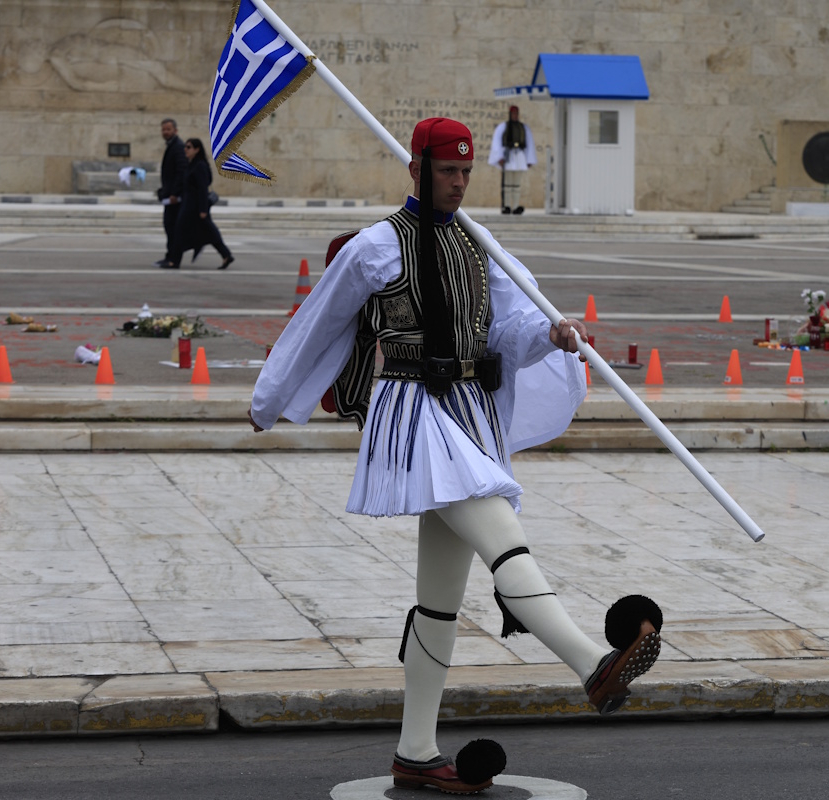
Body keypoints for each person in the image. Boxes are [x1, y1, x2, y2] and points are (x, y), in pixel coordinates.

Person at [248, 118, 661, 795]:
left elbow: (506, 328)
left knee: (438, 602)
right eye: (448, 171)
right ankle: (591, 663)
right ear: (417, 168)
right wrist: (268, 401)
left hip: (469, 413)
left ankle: (415, 752)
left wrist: (552, 334)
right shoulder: (377, 246)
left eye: (467, 172)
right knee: (503, 535)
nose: (460, 183)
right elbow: (318, 322)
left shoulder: (478, 245)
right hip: (413, 411)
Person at [158, 138, 233, 270]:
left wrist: (203, 210)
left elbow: (203, 189)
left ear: (197, 150)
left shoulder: (200, 166)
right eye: (185, 147)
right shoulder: (191, 164)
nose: (185, 150)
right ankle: (226, 255)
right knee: (209, 233)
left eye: (189, 147)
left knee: (182, 231)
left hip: (195, 207)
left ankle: (175, 261)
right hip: (188, 205)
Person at [488, 105, 536, 214]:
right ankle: (507, 206)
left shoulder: (523, 127)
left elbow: (529, 144)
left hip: (519, 156)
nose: (515, 116)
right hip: (508, 156)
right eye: (513, 113)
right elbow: (497, 143)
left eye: (516, 113)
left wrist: (529, 160)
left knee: (517, 184)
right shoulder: (504, 127)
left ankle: (515, 206)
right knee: (507, 184)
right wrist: (499, 157)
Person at [155, 118, 187, 267]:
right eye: (163, 129)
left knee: (172, 227)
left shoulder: (178, 147)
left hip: (175, 198)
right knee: (170, 227)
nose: (165, 132)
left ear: (175, 130)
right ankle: (170, 257)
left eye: (168, 129)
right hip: (169, 195)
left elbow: (181, 172)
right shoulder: (172, 146)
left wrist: (175, 193)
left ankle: (173, 259)